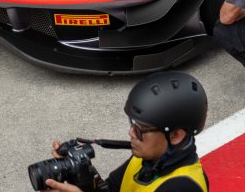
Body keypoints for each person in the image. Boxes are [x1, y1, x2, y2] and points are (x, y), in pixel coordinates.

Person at [43, 71, 209, 191]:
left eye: (140, 129)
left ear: (175, 135)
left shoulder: (182, 186)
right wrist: (79, 174)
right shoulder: (149, 159)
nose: (131, 133)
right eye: (132, 124)